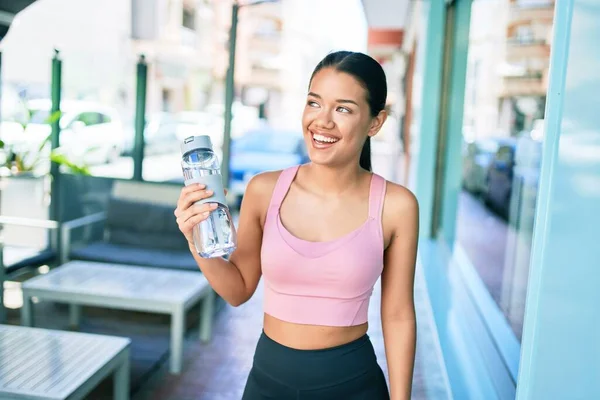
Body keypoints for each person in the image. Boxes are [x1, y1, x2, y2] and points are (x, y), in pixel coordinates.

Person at [175, 51, 419, 400]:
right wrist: (194, 237)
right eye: (314, 103)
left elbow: (397, 316)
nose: (322, 121)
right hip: (268, 382)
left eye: (344, 109)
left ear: (375, 123)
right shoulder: (264, 189)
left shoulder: (396, 206)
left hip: (353, 384)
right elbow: (238, 289)